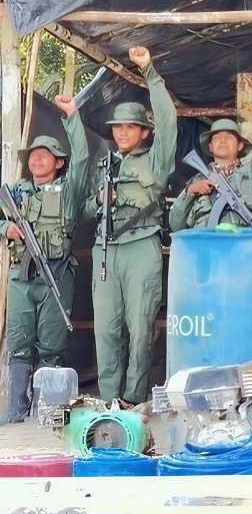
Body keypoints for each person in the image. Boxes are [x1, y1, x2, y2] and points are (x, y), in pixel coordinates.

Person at [83, 45, 177, 404]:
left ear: (144, 132)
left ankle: (133, 399)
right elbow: (86, 209)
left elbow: (167, 119)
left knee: (140, 328)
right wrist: (99, 200)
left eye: (130, 127)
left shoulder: (156, 160)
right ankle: (109, 399)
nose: (122, 132)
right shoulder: (106, 164)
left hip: (141, 245)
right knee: (106, 330)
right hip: (106, 248)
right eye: (118, 127)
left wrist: (149, 71)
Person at [0, 95, 90, 422]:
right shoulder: (16, 192)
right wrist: (6, 227)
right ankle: (15, 411)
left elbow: (83, 157)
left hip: (56, 275)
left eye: (45, 155)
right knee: (18, 344)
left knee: (52, 345)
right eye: (33, 156)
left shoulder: (69, 190)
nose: (37, 159)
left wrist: (73, 116)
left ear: (59, 163)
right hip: (21, 278)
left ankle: (46, 411)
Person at [169, 70, 252, 230]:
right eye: (217, 137)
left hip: (242, 244)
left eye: (229, 137)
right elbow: (175, 225)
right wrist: (190, 191)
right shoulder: (197, 181)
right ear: (210, 147)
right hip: (207, 245)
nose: (223, 140)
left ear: (240, 146)